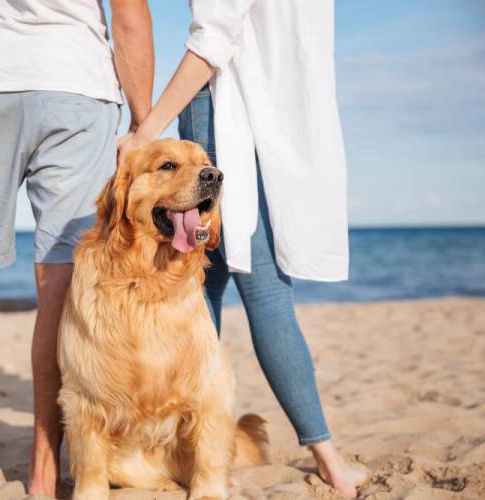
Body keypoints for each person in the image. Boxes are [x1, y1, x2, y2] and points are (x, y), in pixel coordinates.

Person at [118, 1, 368, 497]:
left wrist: (147, 132)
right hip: (270, 120)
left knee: (233, 290)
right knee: (206, 286)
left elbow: (212, 40)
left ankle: (323, 460)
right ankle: (196, 447)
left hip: (226, 112)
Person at [0, 0, 153, 495]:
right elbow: (129, 14)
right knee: (59, 281)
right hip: (76, 85)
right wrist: (143, 123)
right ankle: (43, 468)